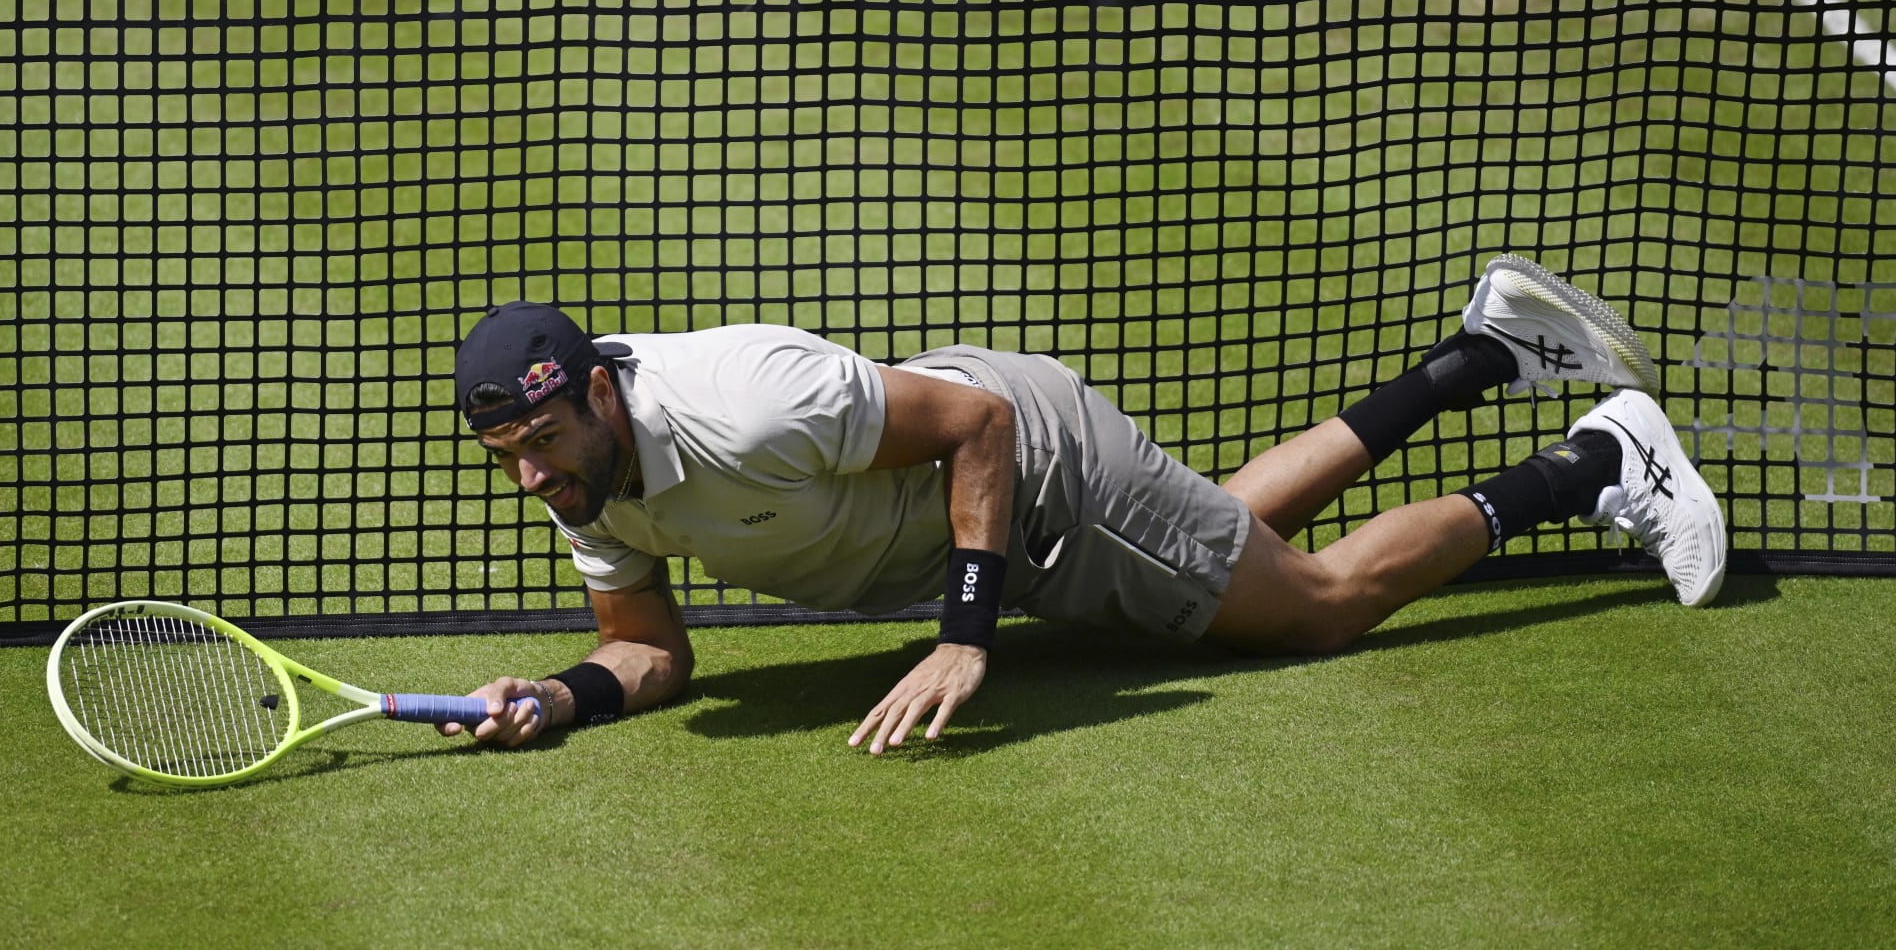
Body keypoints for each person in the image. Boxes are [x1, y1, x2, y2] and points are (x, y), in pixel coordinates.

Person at [439, 254, 1726, 755]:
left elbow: (977, 426)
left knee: (1318, 607)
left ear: (602, 395)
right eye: (511, 457)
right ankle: (1483, 358)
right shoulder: (585, 481)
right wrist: (560, 696)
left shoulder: (746, 401)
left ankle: (1594, 467)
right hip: (991, 514)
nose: (533, 478)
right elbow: (650, 648)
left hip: (1037, 470)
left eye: (545, 443)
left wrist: (967, 629)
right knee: (1227, 534)